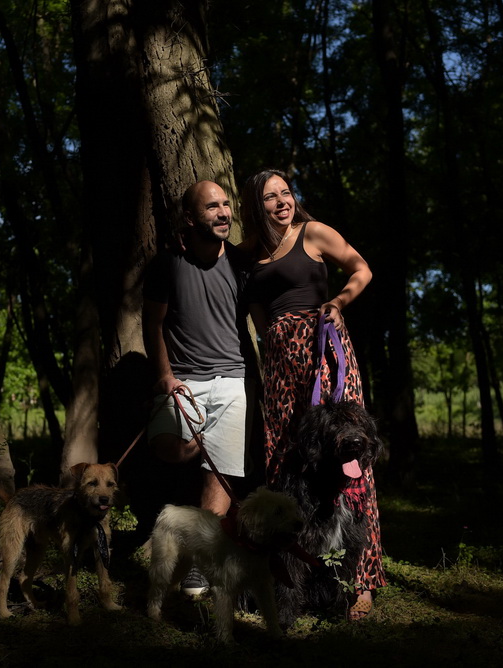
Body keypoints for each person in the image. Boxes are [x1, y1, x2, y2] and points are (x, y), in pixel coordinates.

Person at [241, 168, 386, 621]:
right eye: (271, 197)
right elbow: (259, 315)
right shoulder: (248, 254)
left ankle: (361, 581)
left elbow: (362, 268)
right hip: (283, 367)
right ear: (255, 205)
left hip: (325, 353)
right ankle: (292, 579)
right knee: (288, 463)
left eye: (286, 192)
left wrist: (338, 303)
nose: (283, 202)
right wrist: (275, 350)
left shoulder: (314, 232)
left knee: (348, 457)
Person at [142, 180, 253, 595]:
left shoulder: (242, 263)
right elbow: (152, 323)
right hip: (183, 379)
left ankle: (199, 564)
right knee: (168, 448)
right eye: (212, 207)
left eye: (227, 204)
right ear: (190, 218)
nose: (224, 212)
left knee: (221, 475)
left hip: (232, 379)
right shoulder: (167, 263)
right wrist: (165, 376)